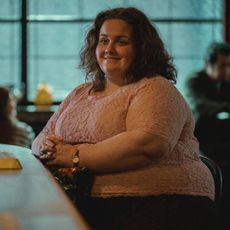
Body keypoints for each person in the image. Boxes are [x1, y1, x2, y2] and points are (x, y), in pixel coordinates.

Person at [32, 7, 217, 229]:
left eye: (121, 41)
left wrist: (74, 155)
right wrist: (49, 148)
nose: (109, 49)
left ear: (142, 48)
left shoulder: (155, 88)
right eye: (103, 41)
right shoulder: (80, 92)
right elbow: (41, 137)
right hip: (83, 200)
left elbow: (147, 143)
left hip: (158, 202)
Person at [186, 42, 230, 229]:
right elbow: (200, 106)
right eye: (222, 65)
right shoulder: (195, 81)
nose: (226, 70)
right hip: (199, 140)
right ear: (208, 64)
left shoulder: (226, 82)